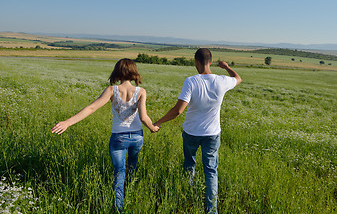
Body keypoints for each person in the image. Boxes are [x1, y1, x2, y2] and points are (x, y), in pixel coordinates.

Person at [51, 58, 159, 213]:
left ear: (117, 71)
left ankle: (118, 208)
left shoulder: (111, 90)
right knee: (132, 167)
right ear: (134, 72)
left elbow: (92, 108)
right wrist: (153, 128)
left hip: (118, 138)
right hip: (136, 137)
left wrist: (68, 122)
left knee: (119, 172)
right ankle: (131, 195)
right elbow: (144, 117)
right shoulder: (141, 91)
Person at [154, 48, 241, 213]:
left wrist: (158, 122)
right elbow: (238, 78)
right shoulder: (222, 80)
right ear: (211, 61)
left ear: (197, 62)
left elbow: (178, 110)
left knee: (189, 165)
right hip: (213, 134)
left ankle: (188, 196)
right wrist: (227, 67)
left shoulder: (191, 81)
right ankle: (212, 210)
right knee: (210, 171)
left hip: (191, 133)